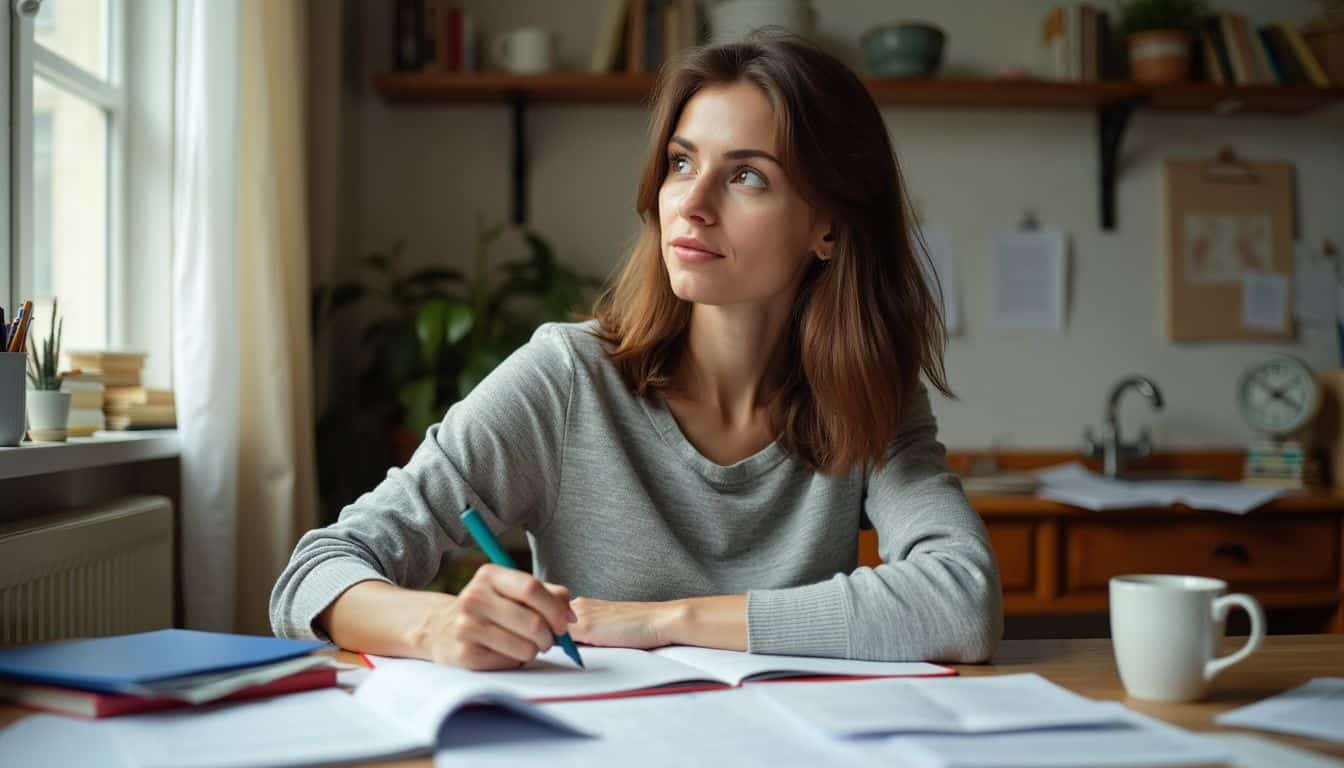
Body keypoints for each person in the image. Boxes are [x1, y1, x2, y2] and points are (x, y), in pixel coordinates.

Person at [271, 33, 1001, 670]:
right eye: (682, 163)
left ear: (831, 231)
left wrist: (662, 621)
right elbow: (314, 572)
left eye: (746, 175)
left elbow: (961, 601)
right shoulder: (567, 380)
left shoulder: (867, 394)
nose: (693, 201)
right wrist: (438, 624)